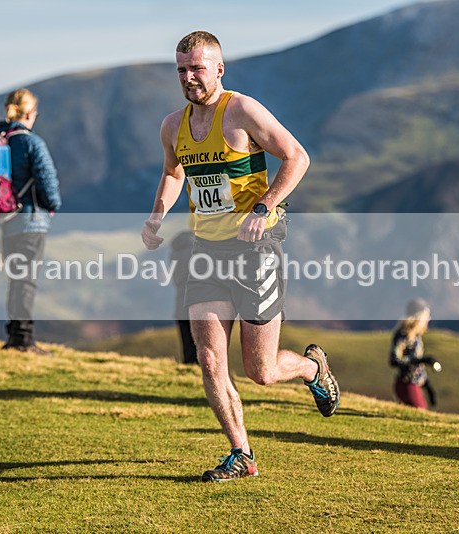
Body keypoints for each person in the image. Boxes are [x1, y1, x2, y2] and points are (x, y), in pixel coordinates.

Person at [141, 31, 340, 482]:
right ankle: (241, 453)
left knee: (262, 371)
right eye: (181, 70)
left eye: (196, 68)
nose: (189, 78)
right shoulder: (172, 125)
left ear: (218, 69)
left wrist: (264, 206)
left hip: (256, 249)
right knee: (209, 358)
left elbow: (297, 157)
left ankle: (313, 367)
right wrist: (155, 218)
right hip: (206, 250)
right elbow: (173, 173)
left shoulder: (242, 111)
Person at [0, 88, 61, 354]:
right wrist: (52, 205)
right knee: (26, 279)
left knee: (15, 278)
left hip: (4, 222)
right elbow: (47, 180)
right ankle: (23, 341)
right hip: (30, 220)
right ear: (29, 113)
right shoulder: (31, 143)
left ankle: (15, 335)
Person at [389, 298, 440, 409]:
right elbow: (394, 360)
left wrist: (427, 386)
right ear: (420, 316)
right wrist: (420, 360)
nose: (428, 320)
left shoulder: (416, 337)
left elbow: (416, 368)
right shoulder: (403, 335)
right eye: (427, 316)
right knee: (419, 412)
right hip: (406, 384)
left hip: (414, 385)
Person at [170, 230, 198, 364]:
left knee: (187, 343)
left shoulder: (174, 253)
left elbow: (175, 278)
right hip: (199, 301)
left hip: (180, 302)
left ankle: (188, 368)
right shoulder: (198, 250)